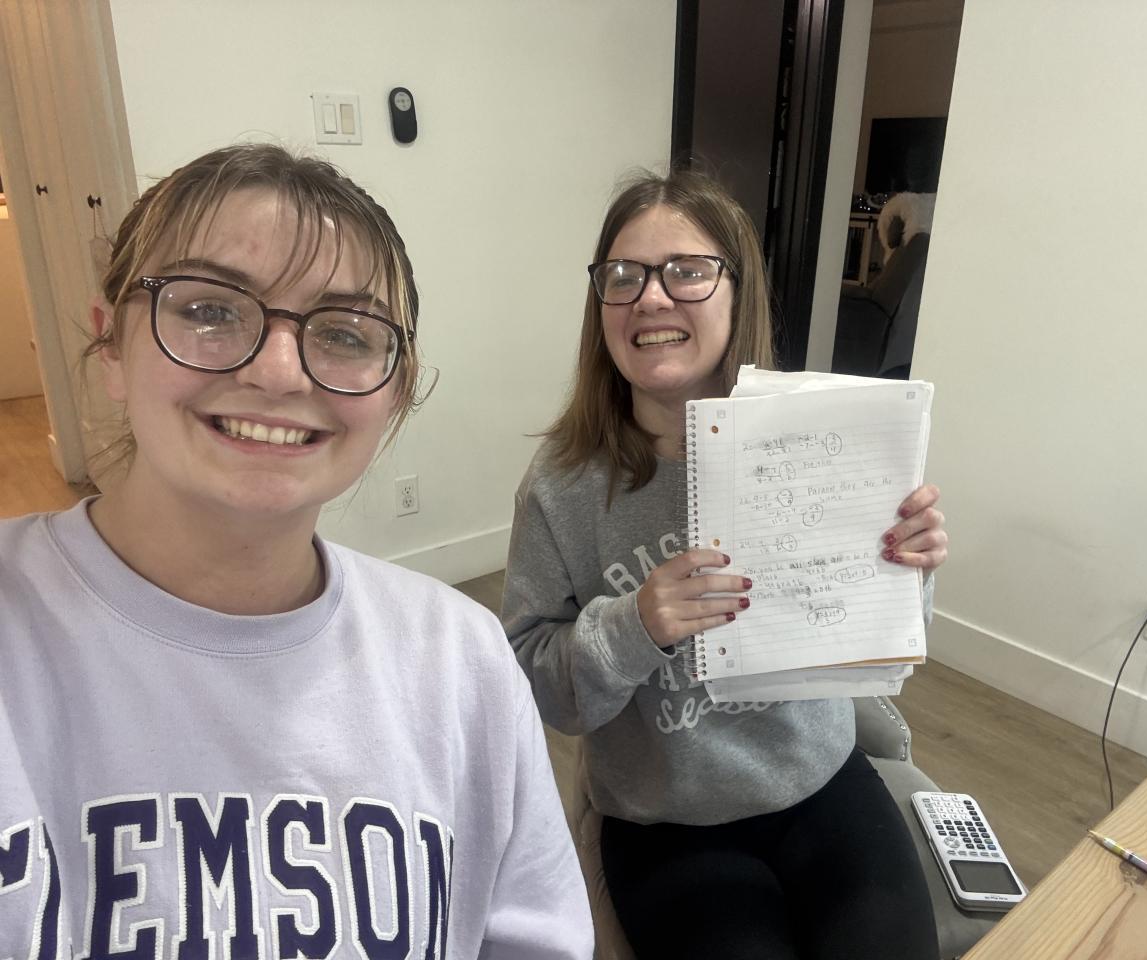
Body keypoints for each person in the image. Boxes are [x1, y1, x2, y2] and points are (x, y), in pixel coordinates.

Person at [0, 144, 591, 959]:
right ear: (111, 348)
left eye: (344, 332)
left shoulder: (462, 659)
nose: (280, 372)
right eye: (210, 310)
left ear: (397, 389)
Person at [502, 169, 947, 960]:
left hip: (820, 781)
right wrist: (635, 626)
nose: (650, 297)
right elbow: (537, 681)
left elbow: (887, 641)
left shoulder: (821, 442)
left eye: (687, 270)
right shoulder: (561, 486)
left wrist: (907, 569)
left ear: (737, 293)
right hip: (666, 821)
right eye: (623, 276)